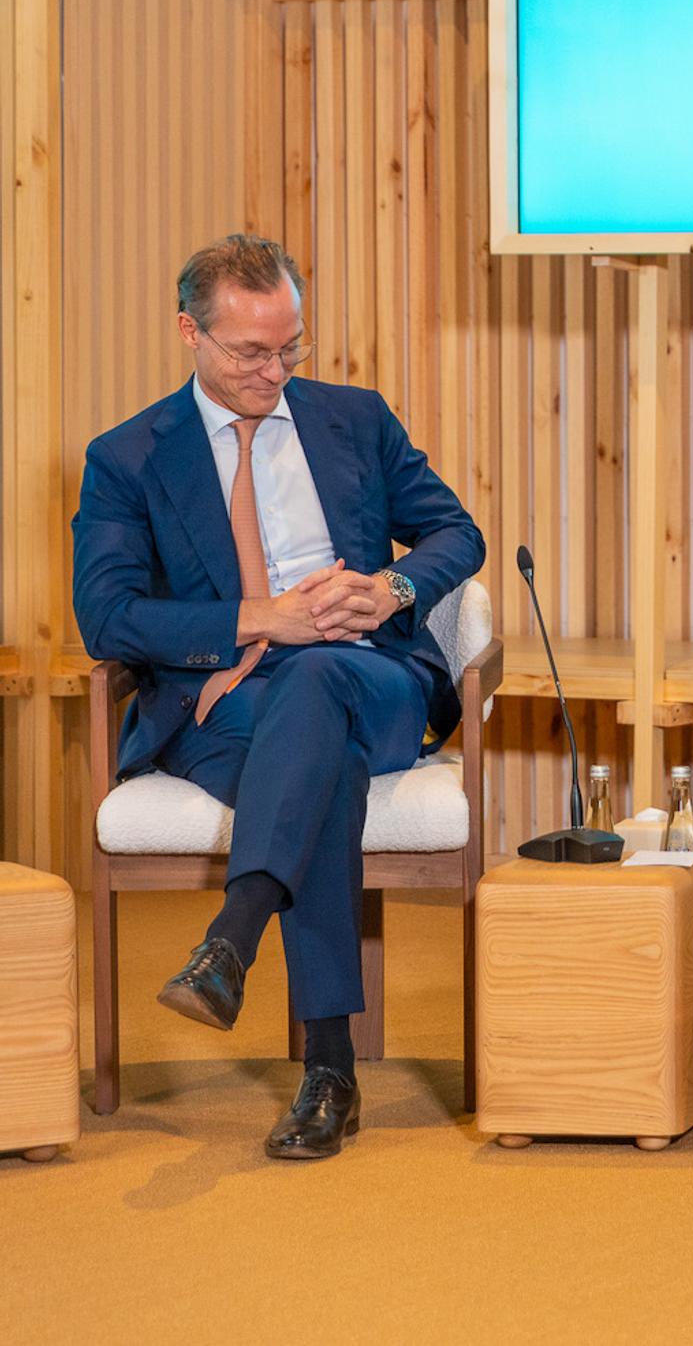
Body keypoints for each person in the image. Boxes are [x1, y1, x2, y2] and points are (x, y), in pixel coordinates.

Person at [72, 234, 485, 1160]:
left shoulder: (354, 419)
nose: (276, 370)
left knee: (320, 677)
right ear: (190, 332)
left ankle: (233, 937)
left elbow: (458, 533)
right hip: (223, 708)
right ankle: (328, 1066)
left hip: (370, 676)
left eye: (290, 347)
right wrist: (262, 617)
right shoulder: (129, 456)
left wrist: (394, 590)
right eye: (250, 353)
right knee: (317, 750)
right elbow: (108, 617)